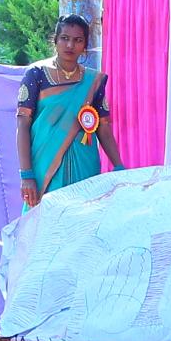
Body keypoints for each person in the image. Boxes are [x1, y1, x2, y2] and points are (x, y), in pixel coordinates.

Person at [18, 14, 117, 209]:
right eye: (64, 38)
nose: (70, 45)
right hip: (45, 166)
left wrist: (119, 165)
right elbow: (22, 124)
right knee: (45, 222)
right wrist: (26, 174)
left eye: (78, 40)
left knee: (83, 222)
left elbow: (104, 128)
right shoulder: (36, 74)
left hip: (84, 166)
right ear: (55, 40)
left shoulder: (93, 82)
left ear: (85, 45)